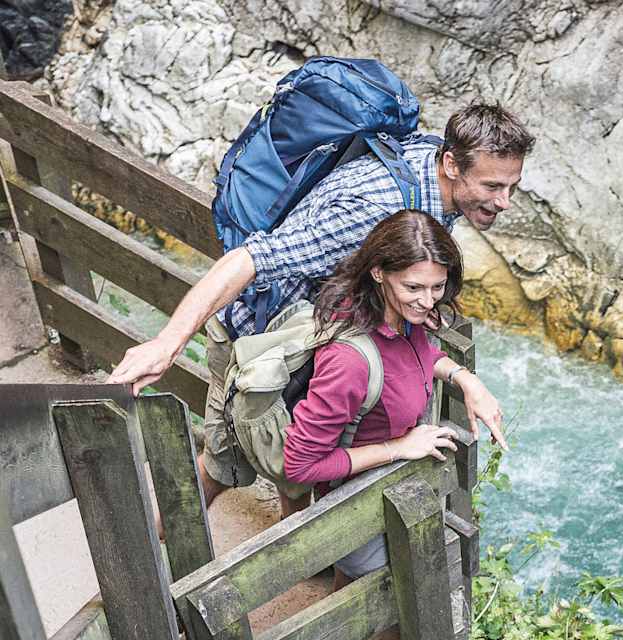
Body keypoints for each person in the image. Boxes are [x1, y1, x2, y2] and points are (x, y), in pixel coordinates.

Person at [107, 102, 534, 517]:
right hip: (260, 339)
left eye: (511, 186)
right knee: (224, 467)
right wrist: (166, 345)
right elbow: (249, 260)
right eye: (493, 187)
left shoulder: (436, 180)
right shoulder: (373, 209)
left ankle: (300, 540)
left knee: (298, 466)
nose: (504, 201)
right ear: (452, 165)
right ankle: (139, 553)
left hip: (314, 335)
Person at [283, 209, 504, 640]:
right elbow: (300, 465)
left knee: (357, 583)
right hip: (355, 499)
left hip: (388, 490)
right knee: (380, 583)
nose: (428, 302)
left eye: (437, 287)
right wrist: (400, 447)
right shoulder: (349, 361)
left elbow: (420, 355)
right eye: (414, 288)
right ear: (379, 273)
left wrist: (466, 379)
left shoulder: (402, 317)